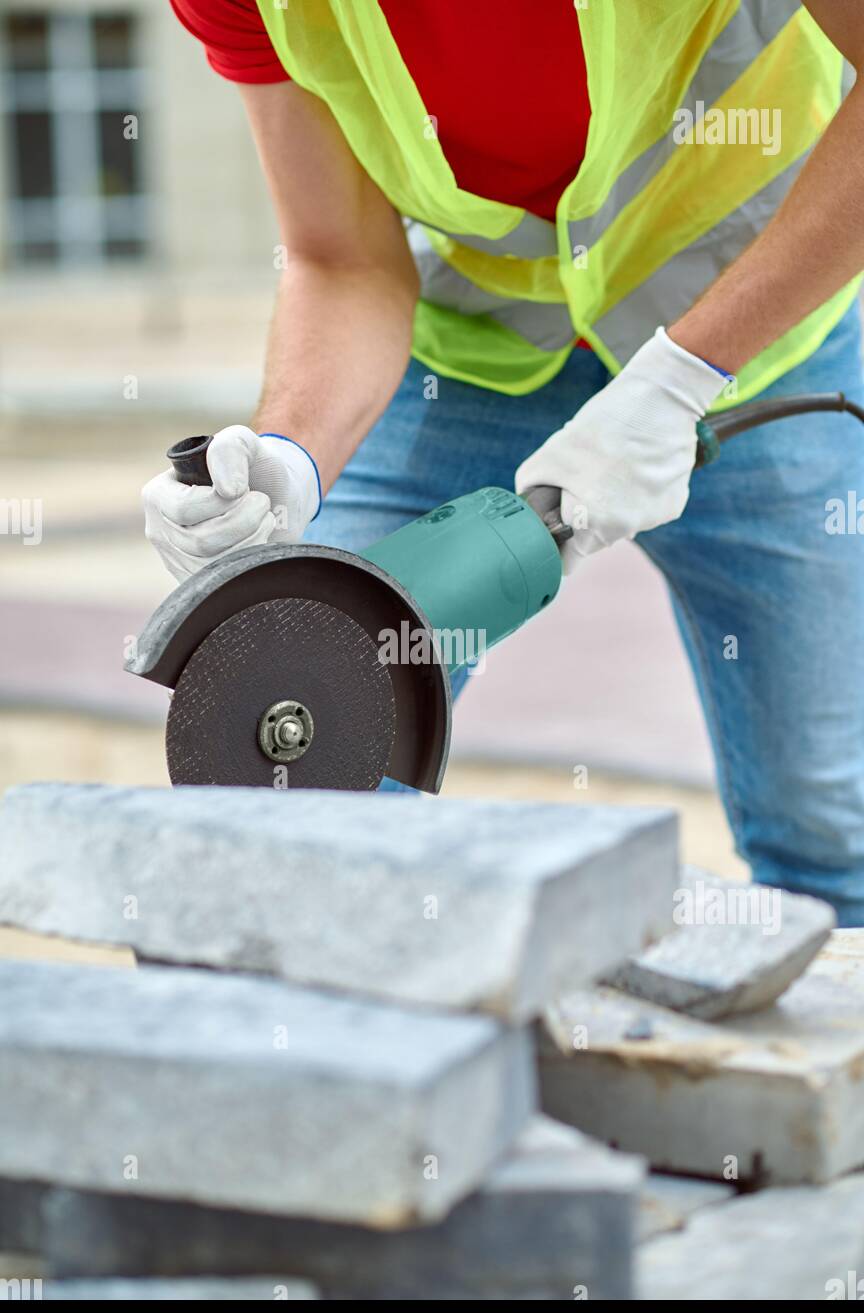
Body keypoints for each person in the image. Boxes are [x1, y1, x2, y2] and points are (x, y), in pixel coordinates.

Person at [144, 1, 864, 924]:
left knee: (829, 826)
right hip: (470, 357)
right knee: (301, 724)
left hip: (757, 348)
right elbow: (341, 257)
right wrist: (293, 452)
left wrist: (681, 381)